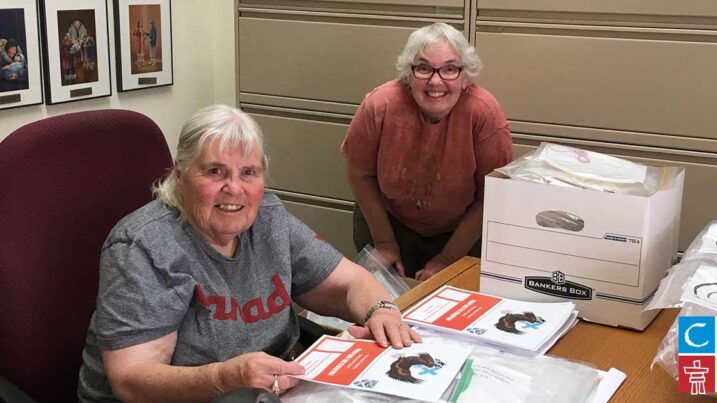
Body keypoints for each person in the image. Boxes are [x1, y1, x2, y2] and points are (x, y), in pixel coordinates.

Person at [77, 105, 420, 402]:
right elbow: (132, 380)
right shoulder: (144, 246)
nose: (235, 188)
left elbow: (350, 282)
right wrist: (226, 378)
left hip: (268, 390)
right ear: (180, 177)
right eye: (215, 172)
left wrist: (381, 310)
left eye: (248, 173)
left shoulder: (269, 218)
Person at [341, 23, 513, 281]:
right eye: (423, 68)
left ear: (466, 77)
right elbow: (359, 174)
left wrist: (448, 258)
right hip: (388, 221)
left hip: (461, 229)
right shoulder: (380, 104)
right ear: (407, 74)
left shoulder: (484, 113)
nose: (435, 81)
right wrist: (385, 242)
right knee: (386, 302)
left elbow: (492, 194)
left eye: (450, 69)